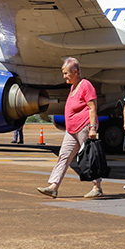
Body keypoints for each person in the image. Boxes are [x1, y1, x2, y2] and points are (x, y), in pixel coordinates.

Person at [37, 57, 103, 199]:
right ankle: (54, 186)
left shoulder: (86, 85)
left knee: (88, 156)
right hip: (72, 129)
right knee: (64, 155)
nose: (64, 76)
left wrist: (92, 128)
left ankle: (97, 187)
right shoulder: (74, 86)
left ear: (76, 72)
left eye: (66, 73)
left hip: (84, 126)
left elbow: (92, 107)